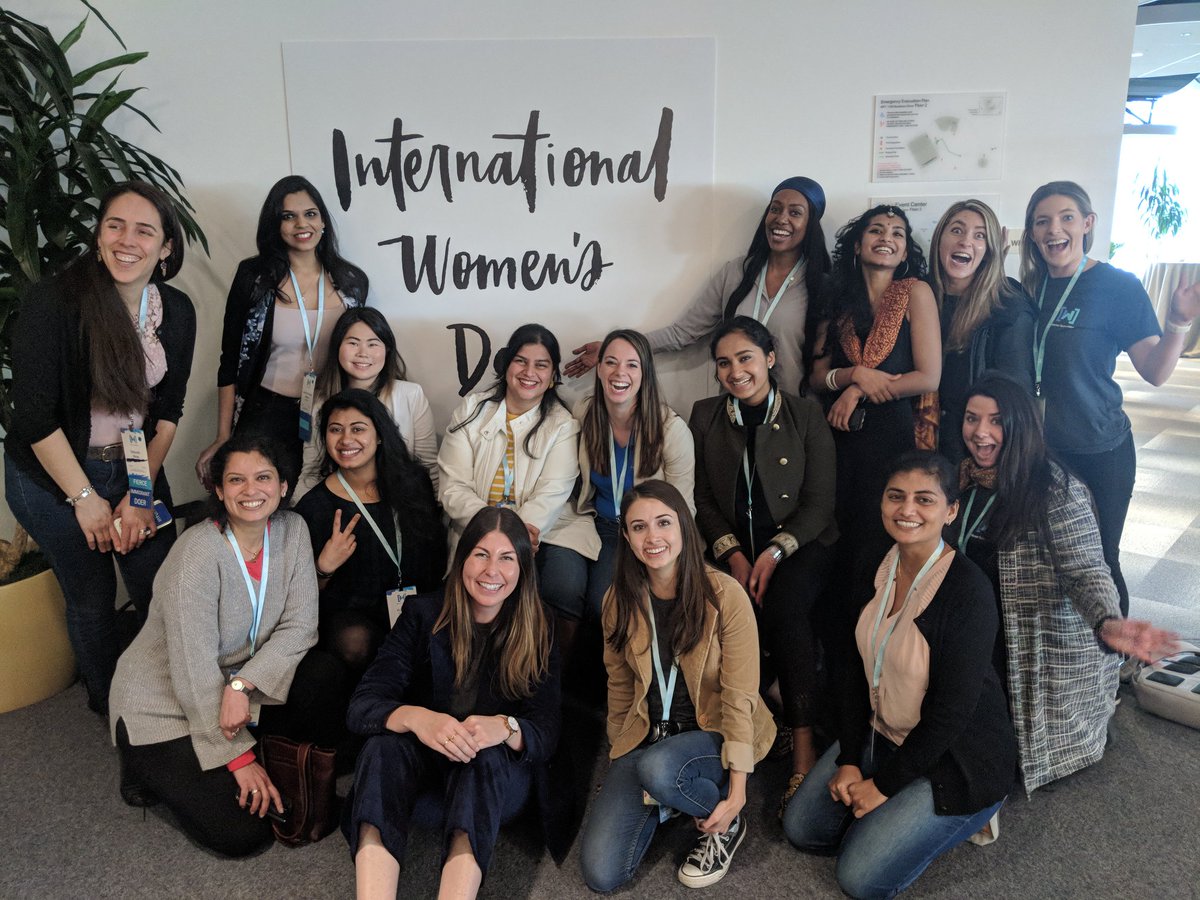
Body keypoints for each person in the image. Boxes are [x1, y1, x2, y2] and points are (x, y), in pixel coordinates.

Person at [782, 452, 1017, 899]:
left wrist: (884, 788)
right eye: (896, 497)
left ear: (951, 511)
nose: (907, 510)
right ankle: (889, 814)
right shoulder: (874, 563)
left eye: (924, 500)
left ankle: (974, 811)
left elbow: (952, 714)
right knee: (802, 828)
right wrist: (850, 757)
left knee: (859, 878)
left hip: (956, 754)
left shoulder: (969, 590)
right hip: (882, 732)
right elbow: (849, 669)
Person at [5, 180, 196, 715]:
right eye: (115, 225)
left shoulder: (175, 311)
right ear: (99, 234)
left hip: (134, 465)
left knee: (158, 585)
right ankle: (110, 705)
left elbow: (168, 411)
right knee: (90, 598)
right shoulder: (53, 304)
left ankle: (161, 697)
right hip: (53, 478)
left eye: (144, 230)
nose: (126, 240)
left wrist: (140, 494)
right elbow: (37, 418)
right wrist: (85, 499)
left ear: (165, 249)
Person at [949, 373, 1178, 794]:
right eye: (971, 418)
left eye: (997, 420)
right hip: (969, 624)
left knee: (998, 755)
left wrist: (1109, 623)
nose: (980, 433)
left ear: (1021, 425)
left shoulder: (1053, 488)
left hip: (1025, 637)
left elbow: (1086, 571)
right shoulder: (958, 480)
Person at [109, 433, 318, 857]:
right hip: (161, 701)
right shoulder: (199, 553)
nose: (251, 490)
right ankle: (140, 767)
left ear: (283, 485)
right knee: (242, 834)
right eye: (236, 481)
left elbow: (301, 626)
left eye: (263, 477)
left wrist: (242, 686)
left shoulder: (293, 530)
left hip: (231, 683)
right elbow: (192, 664)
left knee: (323, 675)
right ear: (220, 491)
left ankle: (231, 745)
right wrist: (238, 758)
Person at [344, 506, 562, 900]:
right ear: (461, 558)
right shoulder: (423, 613)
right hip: (426, 776)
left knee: (487, 754)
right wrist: (417, 717)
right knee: (380, 749)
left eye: (506, 558)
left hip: (494, 782)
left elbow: (546, 732)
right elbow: (362, 706)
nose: (491, 570)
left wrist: (506, 727)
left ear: (523, 567)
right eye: (480, 554)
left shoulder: (540, 625)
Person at [580, 480, 776, 891]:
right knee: (602, 874)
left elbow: (740, 698)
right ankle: (668, 794)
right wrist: (620, 761)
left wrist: (738, 792)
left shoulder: (725, 595)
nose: (652, 537)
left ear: (684, 527)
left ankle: (727, 822)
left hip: (711, 732)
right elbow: (618, 687)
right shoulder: (618, 600)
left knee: (660, 768)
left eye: (663, 522)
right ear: (628, 537)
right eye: (638, 527)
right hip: (648, 738)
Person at [1019, 180, 1200, 616]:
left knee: (1099, 560)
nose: (1053, 229)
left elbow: (1156, 373)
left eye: (1065, 217)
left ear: (1087, 223)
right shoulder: (1028, 289)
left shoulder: (1117, 286)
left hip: (1099, 447)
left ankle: (1117, 661)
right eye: (1041, 221)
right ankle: (1067, 659)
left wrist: (1177, 322)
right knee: (1044, 558)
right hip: (1038, 450)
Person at [688, 317, 838, 812]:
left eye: (746, 358)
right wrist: (732, 553)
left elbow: (820, 503)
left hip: (801, 546)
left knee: (786, 609)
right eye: (724, 363)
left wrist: (775, 552)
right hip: (732, 550)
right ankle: (748, 726)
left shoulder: (805, 414)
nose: (736, 371)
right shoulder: (705, 415)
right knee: (714, 609)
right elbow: (703, 499)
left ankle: (802, 752)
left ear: (770, 359)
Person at [283, 389, 446, 751]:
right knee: (356, 641)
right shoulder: (316, 506)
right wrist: (323, 567)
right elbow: (296, 599)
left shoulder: (412, 483)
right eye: (335, 430)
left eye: (358, 429)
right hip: (350, 612)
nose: (346, 440)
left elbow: (435, 553)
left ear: (379, 434)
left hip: (412, 601)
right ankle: (373, 724)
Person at [565, 176, 831, 395]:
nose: (781, 219)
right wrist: (616, 348)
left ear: (811, 224)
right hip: (734, 411)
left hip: (793, 417)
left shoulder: (822, 287)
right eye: (775, 208)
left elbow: (825, 364)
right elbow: (683, 333)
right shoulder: (736, 273)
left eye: (795, 212)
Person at [198, 175, 369, 489]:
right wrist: (223, 435)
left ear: (323, 221)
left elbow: (360, 354)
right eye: (288, 216)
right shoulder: (255, 277)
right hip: (265, 410)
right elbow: (230, 359)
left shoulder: (352, 282)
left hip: (330, 412)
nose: (301, 224)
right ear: (275, 226)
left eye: (310, 214)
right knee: (261, 497)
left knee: (318, 497)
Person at [808, 205, 941, 596]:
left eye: (898, 234)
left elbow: (927, 376)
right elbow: (817, 377)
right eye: (877, 230)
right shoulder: (836, 299)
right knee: (839, 541)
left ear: (904, 254)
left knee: (880, 539)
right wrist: (853, 374)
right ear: (856, 244)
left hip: (893, 439)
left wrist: (856, 388)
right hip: (840, 439)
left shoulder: (916, 292)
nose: (887, 238)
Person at [439, 323, 599, 620]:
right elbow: (453, 487)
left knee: (563, 586)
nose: (529, 372)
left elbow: (552, 494)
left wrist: (513, 536)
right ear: (506, 366)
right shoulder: (471, 410)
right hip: (477, 522)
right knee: (469, 585)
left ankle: (555, 664)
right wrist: (494, 532)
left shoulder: (562, 425)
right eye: (521, 361)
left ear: (553, 376)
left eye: (541, 365)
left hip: (546, 529)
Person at [569, 328, 695, 658]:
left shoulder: (670, 428)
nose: (619, 373)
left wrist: (667, 553)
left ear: (645, 373)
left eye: (632, 365)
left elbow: (684, 507)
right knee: (594, 603)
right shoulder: (584, 413)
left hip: (651, 532)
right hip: (604, 528)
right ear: (599, 369)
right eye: (610, 362)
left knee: (628, 606)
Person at [927, 199, 1036, 465]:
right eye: (956, 230)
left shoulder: (1007, 305)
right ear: (939, 239)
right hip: (920, 439)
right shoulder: (917, 293)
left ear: (988, 250)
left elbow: (1014, 392)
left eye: (980, 235)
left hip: (975, 447)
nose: (965, 241)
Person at [295, 307, 437, 500]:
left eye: (373, 344)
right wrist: (300, 516)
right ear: (337, 347)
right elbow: (312, 469)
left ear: (387, 349)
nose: (363, 353)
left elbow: (428, 468)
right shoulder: (319, 403)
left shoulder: (411, 395)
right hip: (339, 506)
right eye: (353, 343)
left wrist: (432, 518)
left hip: (400, 506)